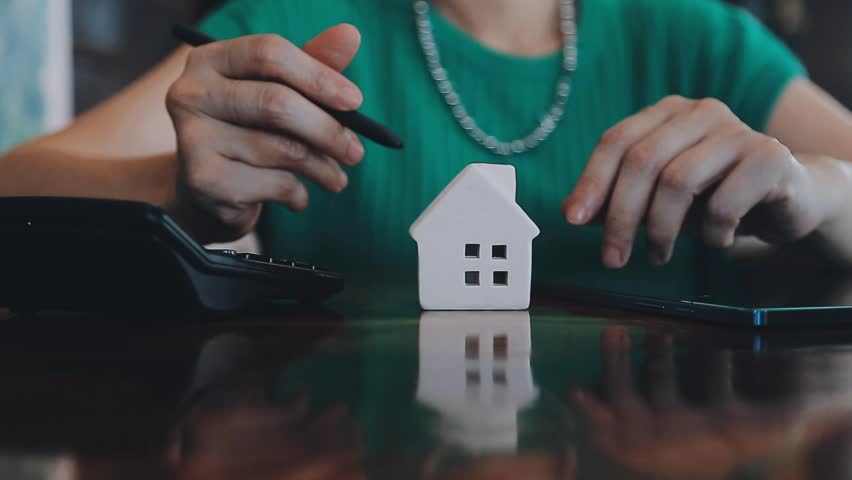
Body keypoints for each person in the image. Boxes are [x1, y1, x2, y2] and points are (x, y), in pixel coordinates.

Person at [3, 0, 852, 293]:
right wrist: (175, 195)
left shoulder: (691, 36)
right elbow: (15, 187)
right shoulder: (301, 28)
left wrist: (812, 190)